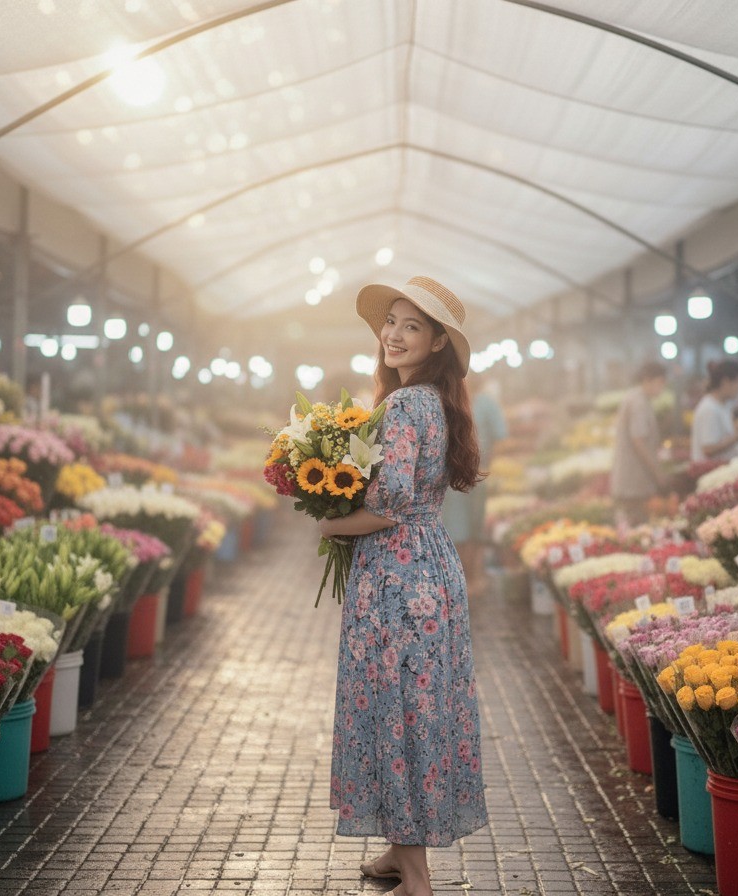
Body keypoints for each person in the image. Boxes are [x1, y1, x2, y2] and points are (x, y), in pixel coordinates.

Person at [317, 275, 488, 896]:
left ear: (439, 341)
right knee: (417, 705)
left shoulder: (405, 405)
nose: (394, 334)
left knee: (398, 711)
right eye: (391, 321)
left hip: (396, 573)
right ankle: (398, 852)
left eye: (412, 326)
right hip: (429, 566)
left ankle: (415, 876)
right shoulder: (434, 401)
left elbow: (386, 506)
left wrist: (331, 520)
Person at [442, 371, 507, 596]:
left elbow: (499, 434)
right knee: (462, 527)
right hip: (459, 475)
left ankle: (470, 577)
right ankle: (467, 578)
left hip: (467, 474)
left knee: (469, 526)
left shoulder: (478, 402)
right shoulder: (450, 402)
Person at [610, 361, 669, 525]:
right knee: (637, 524)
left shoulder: (636, 397)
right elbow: (639, 441)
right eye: (660, 383)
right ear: (647, 380)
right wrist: (657, 473)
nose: (662, 388)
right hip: (634, 480)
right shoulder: (639, 403)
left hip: (632, 479)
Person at [691, 359, 738, 463]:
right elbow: (708, 449)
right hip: (710, 474)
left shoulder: (724, 405)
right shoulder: (709, 409)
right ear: (726, 382)